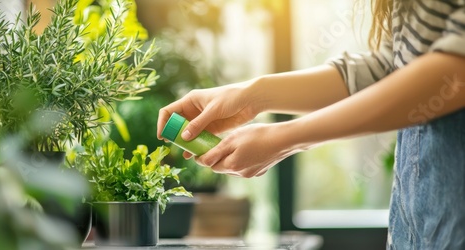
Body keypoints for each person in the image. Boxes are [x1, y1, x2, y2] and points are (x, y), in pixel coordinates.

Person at [157, 0, 465, 249]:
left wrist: (287, 138)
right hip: (417, 218)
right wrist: (252, 95)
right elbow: (392, 66)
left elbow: (454, 71)